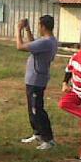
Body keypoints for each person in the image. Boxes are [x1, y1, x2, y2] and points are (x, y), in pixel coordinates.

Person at [16, 15, 59, 150]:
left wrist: (18, 30)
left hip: (36, 80)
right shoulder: (48, 41)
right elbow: (33, 44)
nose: (38, 28)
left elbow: (20, 46)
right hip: (35, 78)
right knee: (32, 109)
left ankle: (48, 139)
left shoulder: (46, 42)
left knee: (37, 109)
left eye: (39, 25)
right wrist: (27, 29)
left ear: (43, 26)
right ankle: (38, 133)